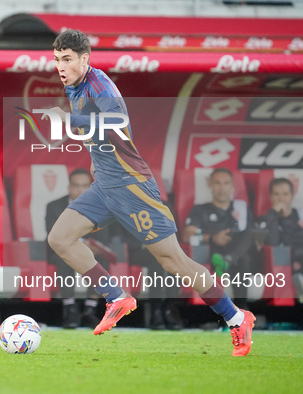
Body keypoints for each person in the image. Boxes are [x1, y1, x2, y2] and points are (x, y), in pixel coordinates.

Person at [45, 29, 255, 356]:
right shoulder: (74, 86)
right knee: (60, 238)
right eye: (57, 60)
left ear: (84, 59)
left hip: (132, 186)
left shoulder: (101, 86)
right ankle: (116, 297)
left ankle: (237, 317)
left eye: (67, 60)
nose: (60, 66)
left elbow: (116, 121)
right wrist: (95, 162)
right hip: (105, 187)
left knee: (174, 262)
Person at [181, 168, 260, 310]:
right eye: (217, 183)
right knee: (221, 257)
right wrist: (212, 238)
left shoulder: (240, 208)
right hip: (210, 257)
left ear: (232, 186)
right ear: (210, 185)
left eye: (226, 183)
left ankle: (242, 306)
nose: (222, 188)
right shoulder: (201, 210)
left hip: (238, 257)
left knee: (246, 246)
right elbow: (187, 235)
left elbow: (250, 237)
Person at [46, 168, 111, 329]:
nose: (80, 190)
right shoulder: (54, 206)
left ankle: (90, 309)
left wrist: (89, 245)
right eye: (76, 185)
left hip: (91, 252)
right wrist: (80, 242)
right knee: (65, 257)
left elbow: (104, 236)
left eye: (84, 185)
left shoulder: (102, 206)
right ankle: (70, 309)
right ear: (69, 187)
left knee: (100, 260)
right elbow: (53, 234)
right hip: (61, 250)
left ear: (90, 187)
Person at [263, 177, 303, 298]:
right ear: (270, 197)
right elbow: (273, 242)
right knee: (280, 252)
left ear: (292, 195)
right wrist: (273, 214)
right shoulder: (266, 219)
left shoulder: (300, 215)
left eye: (285, 194)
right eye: (276, 194)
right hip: (281, 261)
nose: (281, 199)